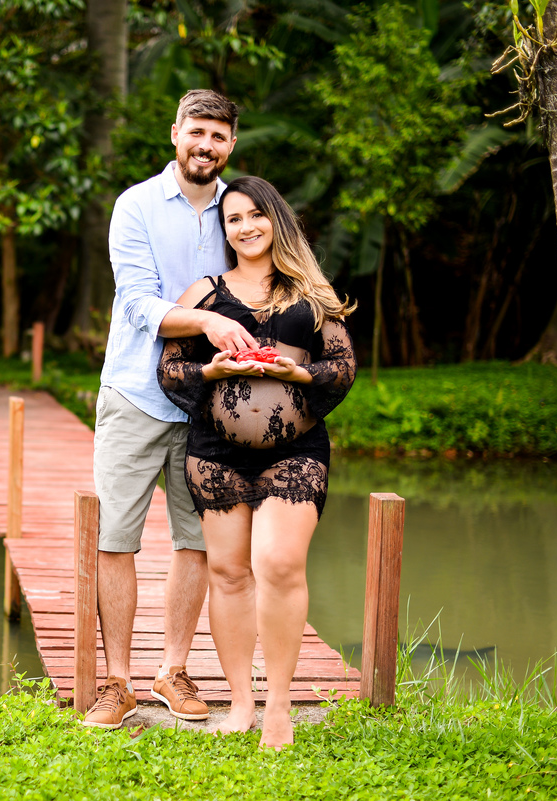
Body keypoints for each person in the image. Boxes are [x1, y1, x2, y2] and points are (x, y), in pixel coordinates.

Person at [83, 89, 261, 730]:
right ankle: (118, 681)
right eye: (197, 131)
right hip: (133, 392)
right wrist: (210, 323)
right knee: (115, 539)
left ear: (231, 144)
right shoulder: (134, 206)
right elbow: (136, 303)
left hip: (210, 404)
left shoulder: (239, 213)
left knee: (198, 540)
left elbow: (261, 286)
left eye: (219, 135)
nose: (205, 145)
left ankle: (173, 670)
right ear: (175, 133)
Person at [157, 175, 357, 746]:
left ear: (276, 218)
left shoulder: (311, 291)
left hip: (295, 453)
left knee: (278, 563)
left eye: (255, 216)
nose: (245, 228)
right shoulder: (204, 292)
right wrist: (213, 371)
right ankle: (242, 701)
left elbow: (342, 367)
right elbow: (170, 371)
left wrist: (300, 373)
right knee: (227, 573)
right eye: (233, 220)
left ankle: (279, 706)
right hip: (215, 455)